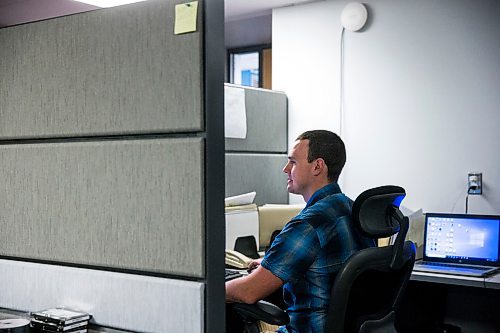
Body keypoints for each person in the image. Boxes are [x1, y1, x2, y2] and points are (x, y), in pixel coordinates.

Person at [226, 130, 375, 333]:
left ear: (317, 166)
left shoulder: (307, 225)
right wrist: (273, 262)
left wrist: (204, 288)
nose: (285, 169)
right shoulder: (352, 209)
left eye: (293, 162)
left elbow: (247, 292)